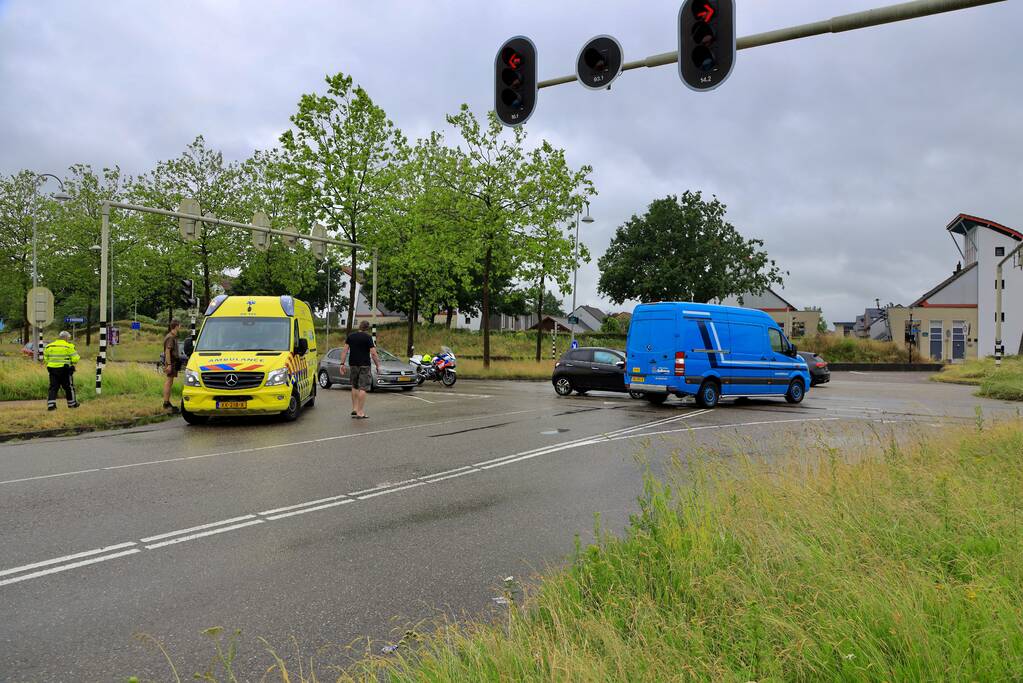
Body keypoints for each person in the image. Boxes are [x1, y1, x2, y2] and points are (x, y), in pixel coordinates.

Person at [340, 320, 381, 419]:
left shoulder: (351, 336)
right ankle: (360, 412)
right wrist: (378, 365)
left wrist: (342, 364)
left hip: (353, 364)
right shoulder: (368, 337)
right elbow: (373, 353)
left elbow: (345, 350)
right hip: (364, 365)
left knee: (354, 386)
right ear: (367, 328)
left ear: (359, 326)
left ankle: (354, 409)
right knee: (363, 388)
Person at [43, 331, 80, 411]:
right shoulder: (69, 346)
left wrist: (53, 364)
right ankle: (72, 404)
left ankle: (51, 405)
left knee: (53, 387)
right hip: (65, 370)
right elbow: (75, 359)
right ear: (66, 338)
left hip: (52, 370)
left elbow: (45, 359)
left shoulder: (49, 346)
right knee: (68, 387)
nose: (68, 339)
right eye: (68, 338)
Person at [163, 320, 182, 414]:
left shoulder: (172, 336)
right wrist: (169, 365)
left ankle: (167, 402)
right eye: (179, 325)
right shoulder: (170, 337)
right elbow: (167, 351)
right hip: (172, 362)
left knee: (170, 382)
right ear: (176, 326)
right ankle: (166, 403)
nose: (180, 327)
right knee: (169, 381)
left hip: (173, 362)